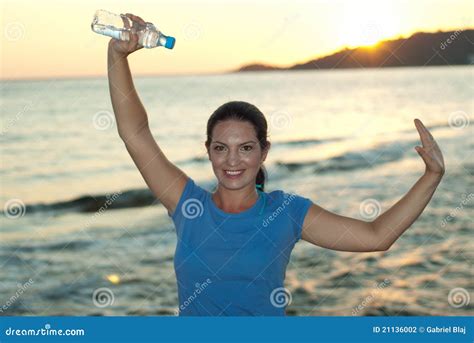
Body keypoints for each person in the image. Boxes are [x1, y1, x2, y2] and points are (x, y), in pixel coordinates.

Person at [107, 14, 445, 316]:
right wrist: (117, 56)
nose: (232, 160)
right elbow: (134, 133)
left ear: (264, 152)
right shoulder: (187, 204)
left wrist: (431, 176)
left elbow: (376, 236)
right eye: (221, 148)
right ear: (208, 151)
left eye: (246, 148)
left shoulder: (285, 212)